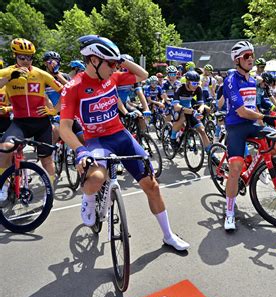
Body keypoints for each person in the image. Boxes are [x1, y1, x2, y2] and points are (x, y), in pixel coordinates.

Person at [59, 35, 189, 250]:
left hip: (121, 135)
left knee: (152, 186)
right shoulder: (74, 86)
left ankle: (168, 235)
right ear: (93, 60)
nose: (114, 68)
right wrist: (80, 150)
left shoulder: (113, 77)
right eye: (110, 63)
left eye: (115, 64)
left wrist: (120, 60)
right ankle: (89, 200)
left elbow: (143, 74)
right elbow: (64, 127)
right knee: (96, 179)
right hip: (96, 140)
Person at [222, 41, 276, 230]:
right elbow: (243, 111)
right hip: (236, 125)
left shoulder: (252, 80)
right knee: (235, 168)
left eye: (252, 55)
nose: (251, 59)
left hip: (252, 124)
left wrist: (266, 120)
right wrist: (264, 117)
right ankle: (229, 212)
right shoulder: (230, 80)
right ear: (237, 60)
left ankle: (256, 167)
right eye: (246, 56)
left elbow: (253, 108)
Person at [0, 38, 63, 200]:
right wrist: (8, 79)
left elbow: (65, 91)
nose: (26, 61)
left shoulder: (40, 74)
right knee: (5, 148)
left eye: (29, 58)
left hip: (41, 123)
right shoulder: (7, 72)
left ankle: (49, 190)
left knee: (47, 159)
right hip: (20, 122)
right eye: (22, 57)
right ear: (15, 56)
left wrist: (53, 111)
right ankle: (5, 185)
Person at [171, 70, 212, 152]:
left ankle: (210, 154)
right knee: (182, 118)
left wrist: (200, 110)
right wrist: (191, 111)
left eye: (197, 83)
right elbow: (176, 107)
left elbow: (201, 103)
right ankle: (173, 138)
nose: (196, 86)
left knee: (202, 130)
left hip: (190, 108)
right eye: (193, 83)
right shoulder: (179, 88)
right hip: (179, 108)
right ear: (187, 82)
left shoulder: (198, 88)